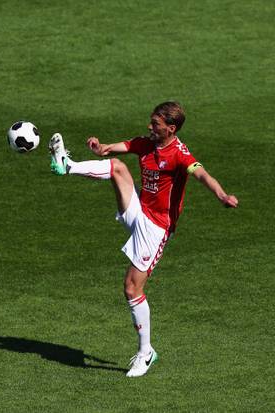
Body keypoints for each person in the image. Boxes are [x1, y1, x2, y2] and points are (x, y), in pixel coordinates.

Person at [48, 101, 238, 377]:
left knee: (131, 288)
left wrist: (221, 195)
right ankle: (67, 165)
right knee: (117, 167)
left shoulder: (180, 154)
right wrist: (99, 147)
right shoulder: (146, 143)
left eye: (155, 124)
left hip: (157, 227)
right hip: (139, 209)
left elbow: (202, 174)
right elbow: (110, 150)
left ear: (171, 129)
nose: (149, 126)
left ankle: (146, 352)